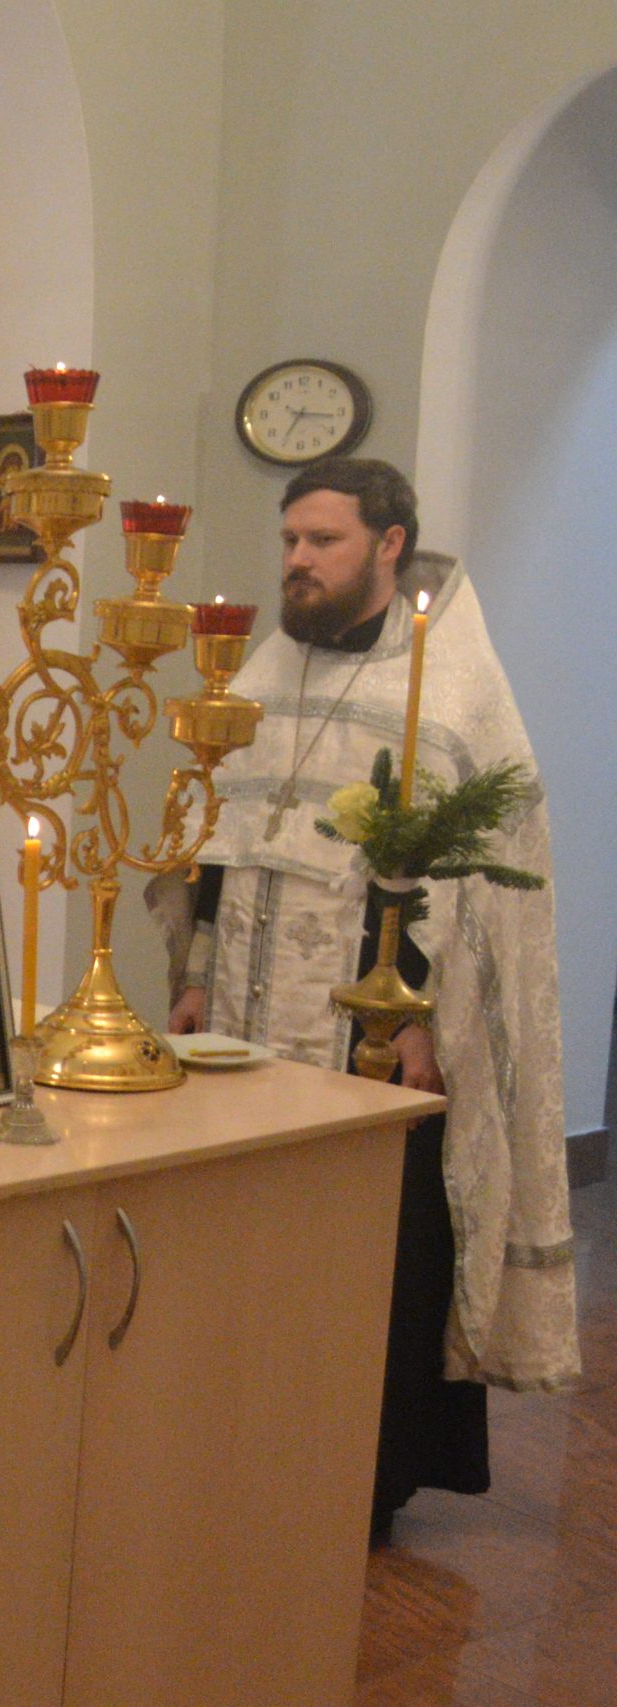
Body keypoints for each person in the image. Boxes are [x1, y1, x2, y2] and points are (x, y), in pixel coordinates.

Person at [166, 457, 579, 1541]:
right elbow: (215, 840)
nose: (297, 561)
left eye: (323, 541)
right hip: (244, 1023)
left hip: (376, 1043)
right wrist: (196, 973)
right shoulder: (266, 666)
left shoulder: (448, 685)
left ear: (389, 544)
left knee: (373, 1260)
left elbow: (480, 886)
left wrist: (429, 1026)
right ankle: (238, 1448)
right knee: (247, 1244)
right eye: (290, 540)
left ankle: (364, 1479)